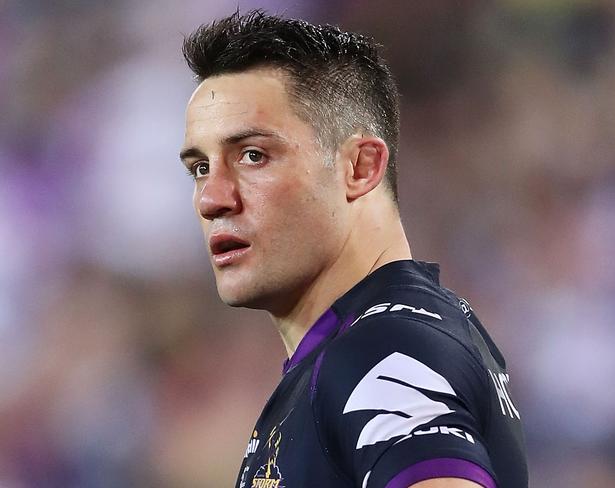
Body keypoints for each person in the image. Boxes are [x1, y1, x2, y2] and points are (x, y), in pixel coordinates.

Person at [179, 10, 528, 488]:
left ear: (361, 168)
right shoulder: (363, 345)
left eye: (253, 156)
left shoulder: (382, 347)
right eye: (200, 167)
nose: (211, 198)